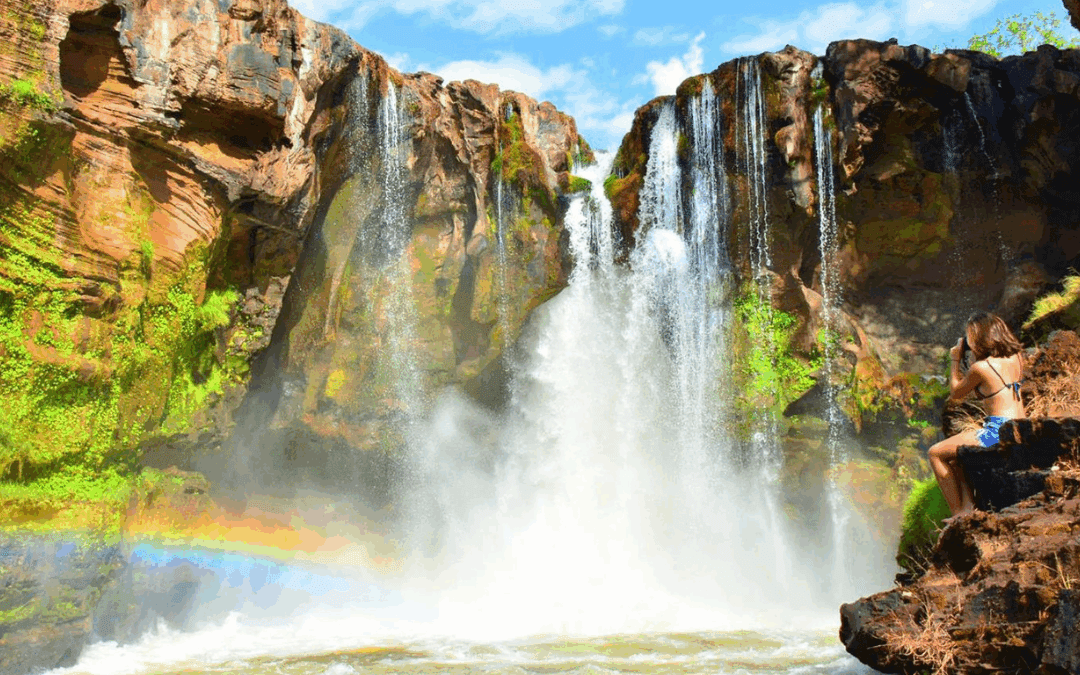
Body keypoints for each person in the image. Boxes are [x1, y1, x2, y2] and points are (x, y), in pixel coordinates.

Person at [928, 312, 1026, 517]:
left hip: (997, 432)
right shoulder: (1016, 356)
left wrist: (955, 359)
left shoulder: (981, 368)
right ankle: (967, 508)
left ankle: (958, 514)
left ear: (979, 338)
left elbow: (956, 394)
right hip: (1021, 427)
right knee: (956, 458)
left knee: (935, 453)